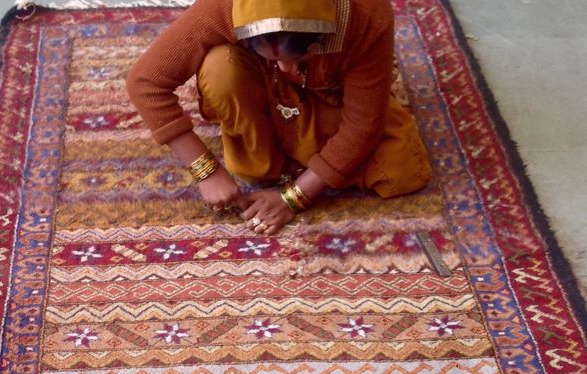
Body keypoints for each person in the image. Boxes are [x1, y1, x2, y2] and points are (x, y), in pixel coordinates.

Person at [126, 0, 432, 235]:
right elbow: (145, 81)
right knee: (220, 68)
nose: (286, 69)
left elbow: (363, 124)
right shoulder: (231, 5)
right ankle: (278, 158)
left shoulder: (365, 13)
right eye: (273, 57)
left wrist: (295, 197)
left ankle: (295, 163)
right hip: (258, 86)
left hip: (330, 97)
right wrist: (206, 171)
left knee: (402, 169)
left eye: (299, 58)